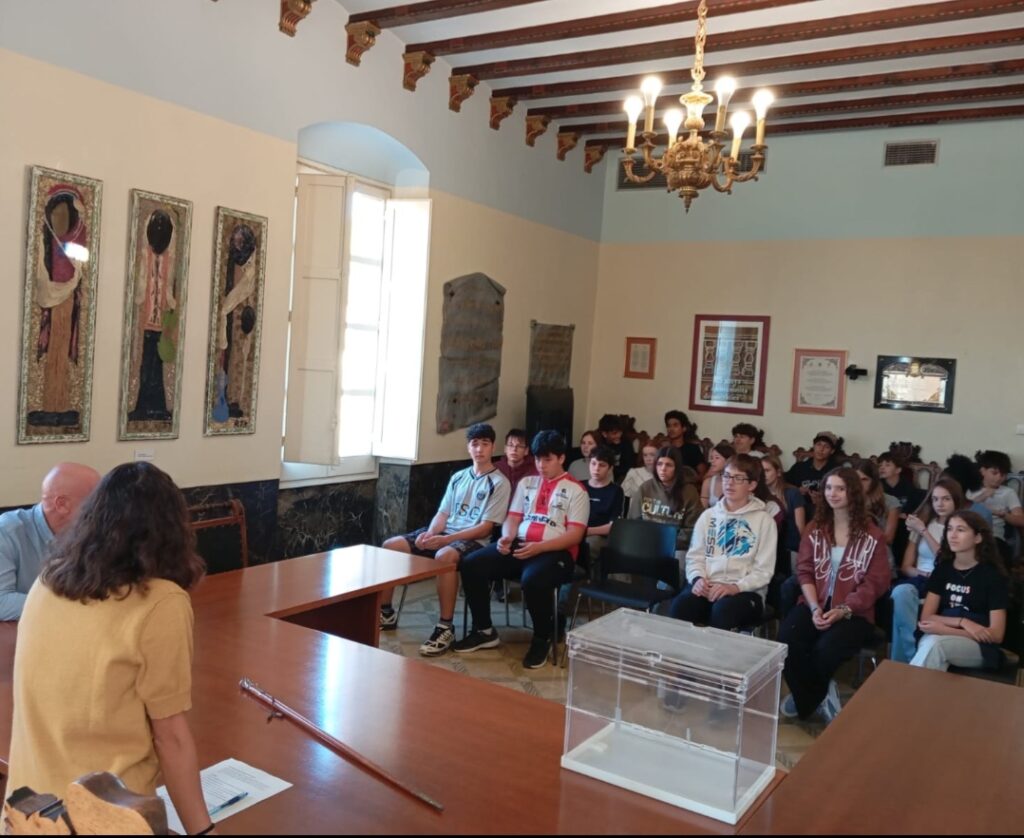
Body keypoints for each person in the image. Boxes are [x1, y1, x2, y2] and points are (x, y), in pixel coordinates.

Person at [7, 462, 211, 835]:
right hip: (105, 817)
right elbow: (171, 738)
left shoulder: (46, 581)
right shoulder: (163, 602)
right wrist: (203, 831)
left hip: (27, 813)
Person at [454, 430, 589, 669]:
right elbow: (514, 517)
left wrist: (540, 547)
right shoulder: (527, 483)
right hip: (522, 545)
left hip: (556, 552)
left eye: (547, 459)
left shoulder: (577, 490)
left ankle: (542, 637)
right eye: (537, 459)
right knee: (472, 563)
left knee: (533, 579)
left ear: (561, 458)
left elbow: (574, 535)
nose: (541, 465)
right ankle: (484, 630)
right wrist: (507, 537)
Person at [378, 423, 510, 656]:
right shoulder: (458, 477)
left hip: (473, 540)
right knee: (391, 545)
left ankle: (445, 627)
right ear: (468, 447)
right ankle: (385, 612)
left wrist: (447, 540)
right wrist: (430, 534)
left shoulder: (499, 483)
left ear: (493, 447)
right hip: (445, 533)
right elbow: (443, 513)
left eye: (485, 444)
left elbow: (485, 529)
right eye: (475, 444)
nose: (479, 449)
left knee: (444, 556)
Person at [779, 468, 890, 723]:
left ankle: (808, 697)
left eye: (840, 488)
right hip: (815, 603)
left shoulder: (873, 535)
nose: (833, 494)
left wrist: (844, 609)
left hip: (854, 612)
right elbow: (804, 571)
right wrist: (813, 607)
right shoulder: (815, 528)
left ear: (853, 492)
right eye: (829, 488)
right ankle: (819, 693)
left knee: (826, 649)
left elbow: (876, 582)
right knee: (787, 640)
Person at [668, 455, 777, 630]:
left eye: (738, 478)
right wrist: (697, 578)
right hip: (708, 583)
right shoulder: (709, 515)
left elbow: (764, 571)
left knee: (723, 611)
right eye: (726, 476)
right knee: (681, 606)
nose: (729, 483)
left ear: (752, 485)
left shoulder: (765, 521)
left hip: (745, 590)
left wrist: (735, 587)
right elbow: (695, 556)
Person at [0, 462, 101, 621]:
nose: (102, 510)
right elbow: (2, 602)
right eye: (96, 503)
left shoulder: (95, 533)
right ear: (62, 504)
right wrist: (70, 604)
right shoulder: (6, 532)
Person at [911, 511, 1009, 672]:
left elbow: (996, 634)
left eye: (960, 530)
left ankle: (904, 687)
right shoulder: (942, 569)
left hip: (979, 646)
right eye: (949, 529)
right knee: (933, 648)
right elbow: (927, 618)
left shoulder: (992, 576)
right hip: (937, 635)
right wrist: (962, 622)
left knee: (935, 645)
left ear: (977, 538)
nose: (953, 535)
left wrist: (945, 630)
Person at [891, 478, 966, 664]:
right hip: (922, 578)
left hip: (948, 581)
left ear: (956, 500)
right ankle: (911, 654)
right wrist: (923, 574)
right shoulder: (924, 523)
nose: (940, 504)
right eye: (935, 499)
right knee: (900, 592)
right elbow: (906, 566)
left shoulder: (961, 527)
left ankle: (907, 661)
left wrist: (924, 531)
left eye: (946, 499)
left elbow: (946, 561)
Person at [628, 445, 702, 557]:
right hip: (646, 543)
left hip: (675, 546)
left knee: (680, 557)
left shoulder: (689, 492)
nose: (663, 469)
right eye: (659, 464)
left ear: (677, 468)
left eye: (669, 465)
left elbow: (693, 530)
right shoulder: (645, 488)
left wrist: (665, 541)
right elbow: (633, 522)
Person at [967, 450, 1023, 560]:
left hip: (994, 537)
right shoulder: (970, 490)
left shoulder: (1008, 492)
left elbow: (1021, 520)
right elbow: (961, 513)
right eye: (994, 473)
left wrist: (1003, 515)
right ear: (983, 471)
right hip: (969, 534)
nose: (999, 478)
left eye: (1003, 474)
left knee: (990, 551)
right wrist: (982, 497)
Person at [855, 460, 900, 565]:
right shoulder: (847, 499)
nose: (859, 484)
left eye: (864, 479)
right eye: (856, 479)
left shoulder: (891, 502)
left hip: (878, 553)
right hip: (850, 552)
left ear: (874, 481)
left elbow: (888, 538)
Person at [785, 432, 841, 513]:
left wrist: (823, 499)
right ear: (814, 446)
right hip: (800, 509)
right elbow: (783, 483)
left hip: (826, 511)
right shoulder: (800, 467)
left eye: (826, 447)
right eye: (819, 444)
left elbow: (842, 493)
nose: (821, 449)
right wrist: (797, 489)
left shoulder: (836, 471)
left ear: (832, 451)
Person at [621, 434, 663, 504]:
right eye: (645, 455)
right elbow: (622, 497)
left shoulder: (665, 475)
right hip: (635, 509)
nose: (648, 459)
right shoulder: (634, 473)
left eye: (652, 455)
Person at [596, 414, 635, 483]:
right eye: (614, 433)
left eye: (620, 432)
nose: (618, 435)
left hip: (621, 478)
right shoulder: (599, 444)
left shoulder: (626, 443)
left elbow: (629, 466)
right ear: (604, 434)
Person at [664, 410, 705, 476]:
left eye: (675, 425)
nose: (671, 429)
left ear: (684, 428)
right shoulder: (665, 449)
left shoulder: (693, 449)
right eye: (669, 426)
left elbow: (702, 473)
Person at [495, 428, 535, 494]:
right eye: (511, 445)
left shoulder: (534, 470)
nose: (514, 449)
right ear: (505, 449)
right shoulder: (495, 468)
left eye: (519, 446)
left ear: (526, 451)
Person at [700, 442, 735, 509]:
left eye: (717, 458)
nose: (712, 461)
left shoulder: (737, 482)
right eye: (712, 458)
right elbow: (703, 508)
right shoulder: (708, 482)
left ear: (728, 460)